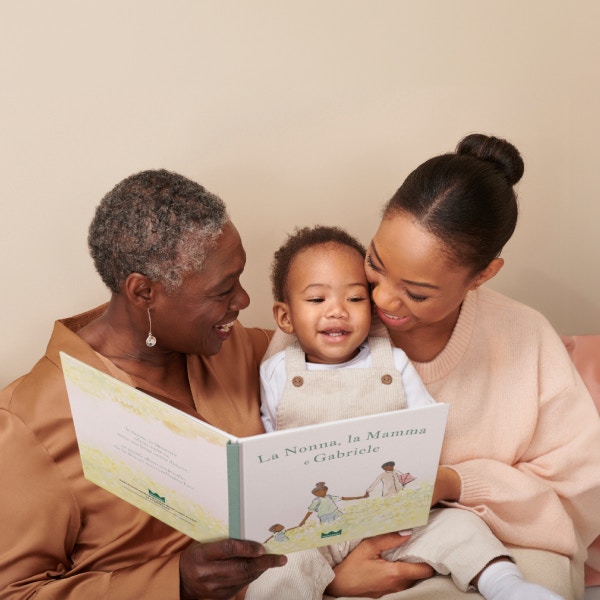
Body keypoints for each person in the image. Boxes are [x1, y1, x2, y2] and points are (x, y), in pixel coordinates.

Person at [0, 169, 291, 599]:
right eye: (223, 289)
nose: (244, 301)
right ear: (143, 293)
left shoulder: (231, 346)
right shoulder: (29, 423)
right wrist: (176, 583)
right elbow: (15, 592)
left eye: (240, 278)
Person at [247, 224, 563, 600]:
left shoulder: (392, 363)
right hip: (317, 525)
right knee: (278, 564)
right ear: (284, 318)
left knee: (461, 527)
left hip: (390, 511)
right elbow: (267, 444)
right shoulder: (277, 371)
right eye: (317, 300)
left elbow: (426, 427)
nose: (337, 311)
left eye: (354, 299)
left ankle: (508, 586)